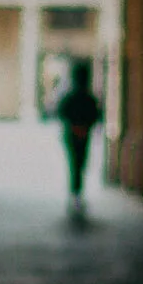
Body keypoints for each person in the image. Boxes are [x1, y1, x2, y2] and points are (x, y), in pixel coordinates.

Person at [55, 60, 104, 216]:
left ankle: (75, 192)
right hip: (82, 135)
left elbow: (61, 112)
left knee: (75, 164)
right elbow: (96, 115)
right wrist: (85, 126)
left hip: (72, 135)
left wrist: (73, 125)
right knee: (80, 164)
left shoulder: (71, 96)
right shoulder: (89, 97)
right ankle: (77, 192)